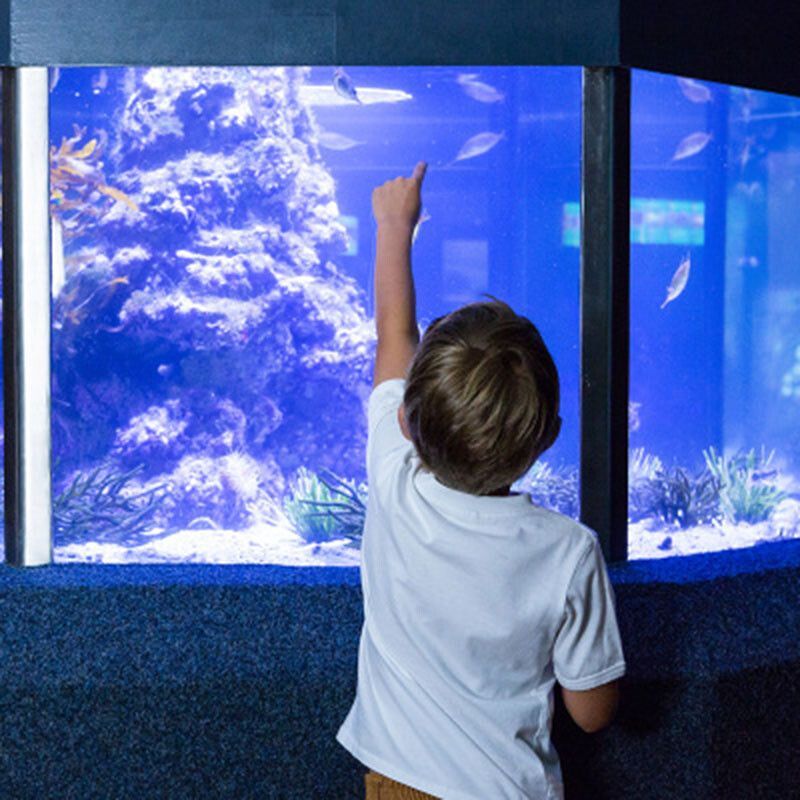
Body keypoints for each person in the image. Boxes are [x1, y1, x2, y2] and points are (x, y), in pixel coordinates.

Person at [336, 161, 626, 799]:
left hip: (398, 785)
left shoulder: (393, 485)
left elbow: (393, 337)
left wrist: (393, 226)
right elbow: (592, 711)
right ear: (548, 436)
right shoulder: (568, 551)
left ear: (408, 424)